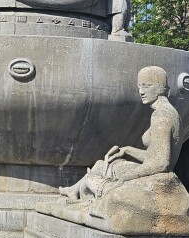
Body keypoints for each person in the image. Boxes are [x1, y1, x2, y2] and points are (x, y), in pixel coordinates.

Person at [61, 66, 181, 200]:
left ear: (160, 88)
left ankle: (77, 192)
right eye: (139, 86)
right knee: (101, 165)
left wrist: (125, 177)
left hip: (154, 179)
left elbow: (161, 163)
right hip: (154, 173)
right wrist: (127, 150)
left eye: (147, 86)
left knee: (101, 169)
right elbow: (154, 156)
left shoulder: (161, 115)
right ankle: (74, 190)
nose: (141, 92)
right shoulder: (169, 111)